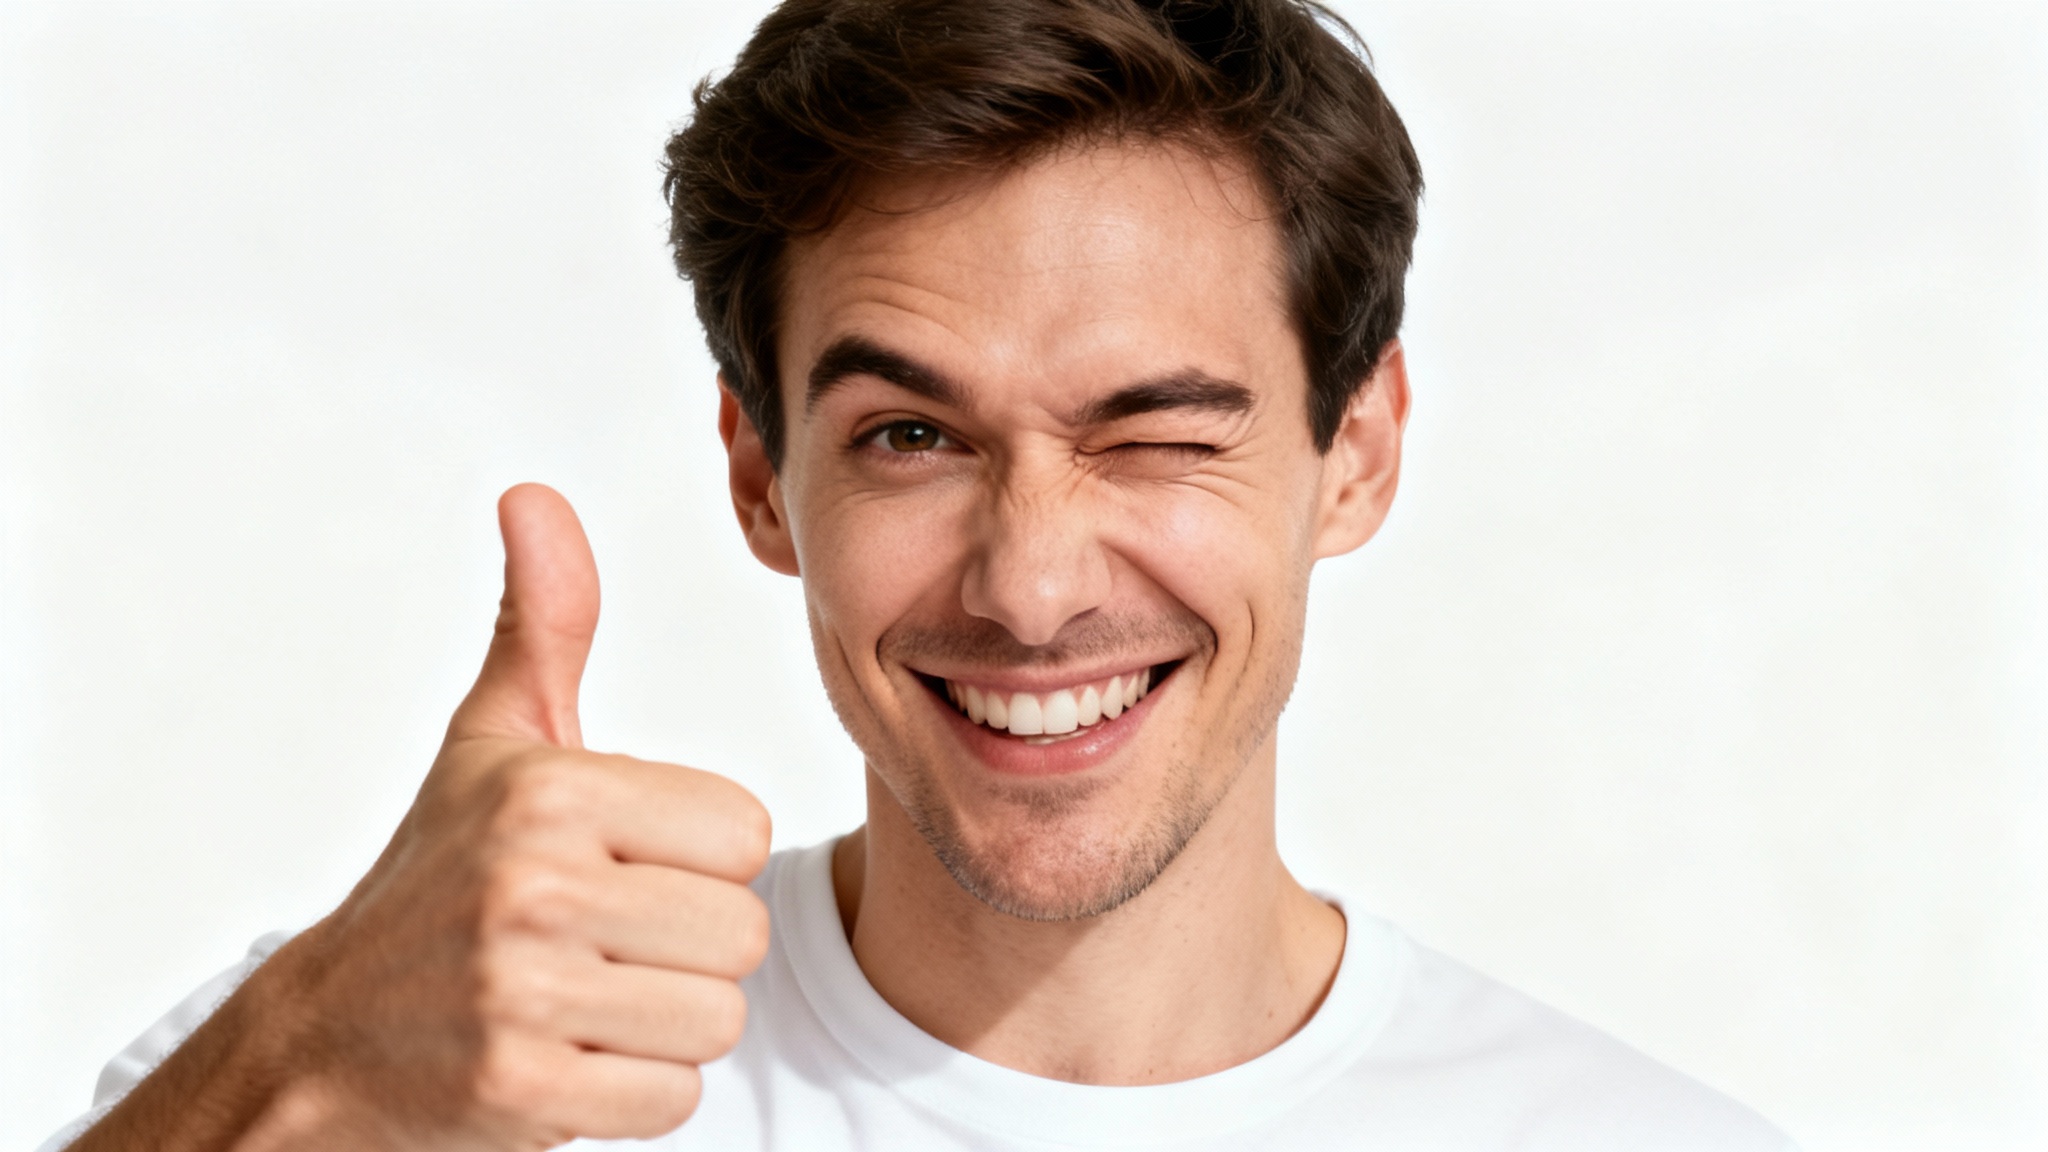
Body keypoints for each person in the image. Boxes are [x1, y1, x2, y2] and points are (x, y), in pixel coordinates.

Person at [46, 1, 1794, 1148]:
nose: (1032, 587)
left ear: (1359, 450)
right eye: (911, 437)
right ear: (761, 476)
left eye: (1157, 433)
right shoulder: (399, 1077)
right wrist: (287, 1068)